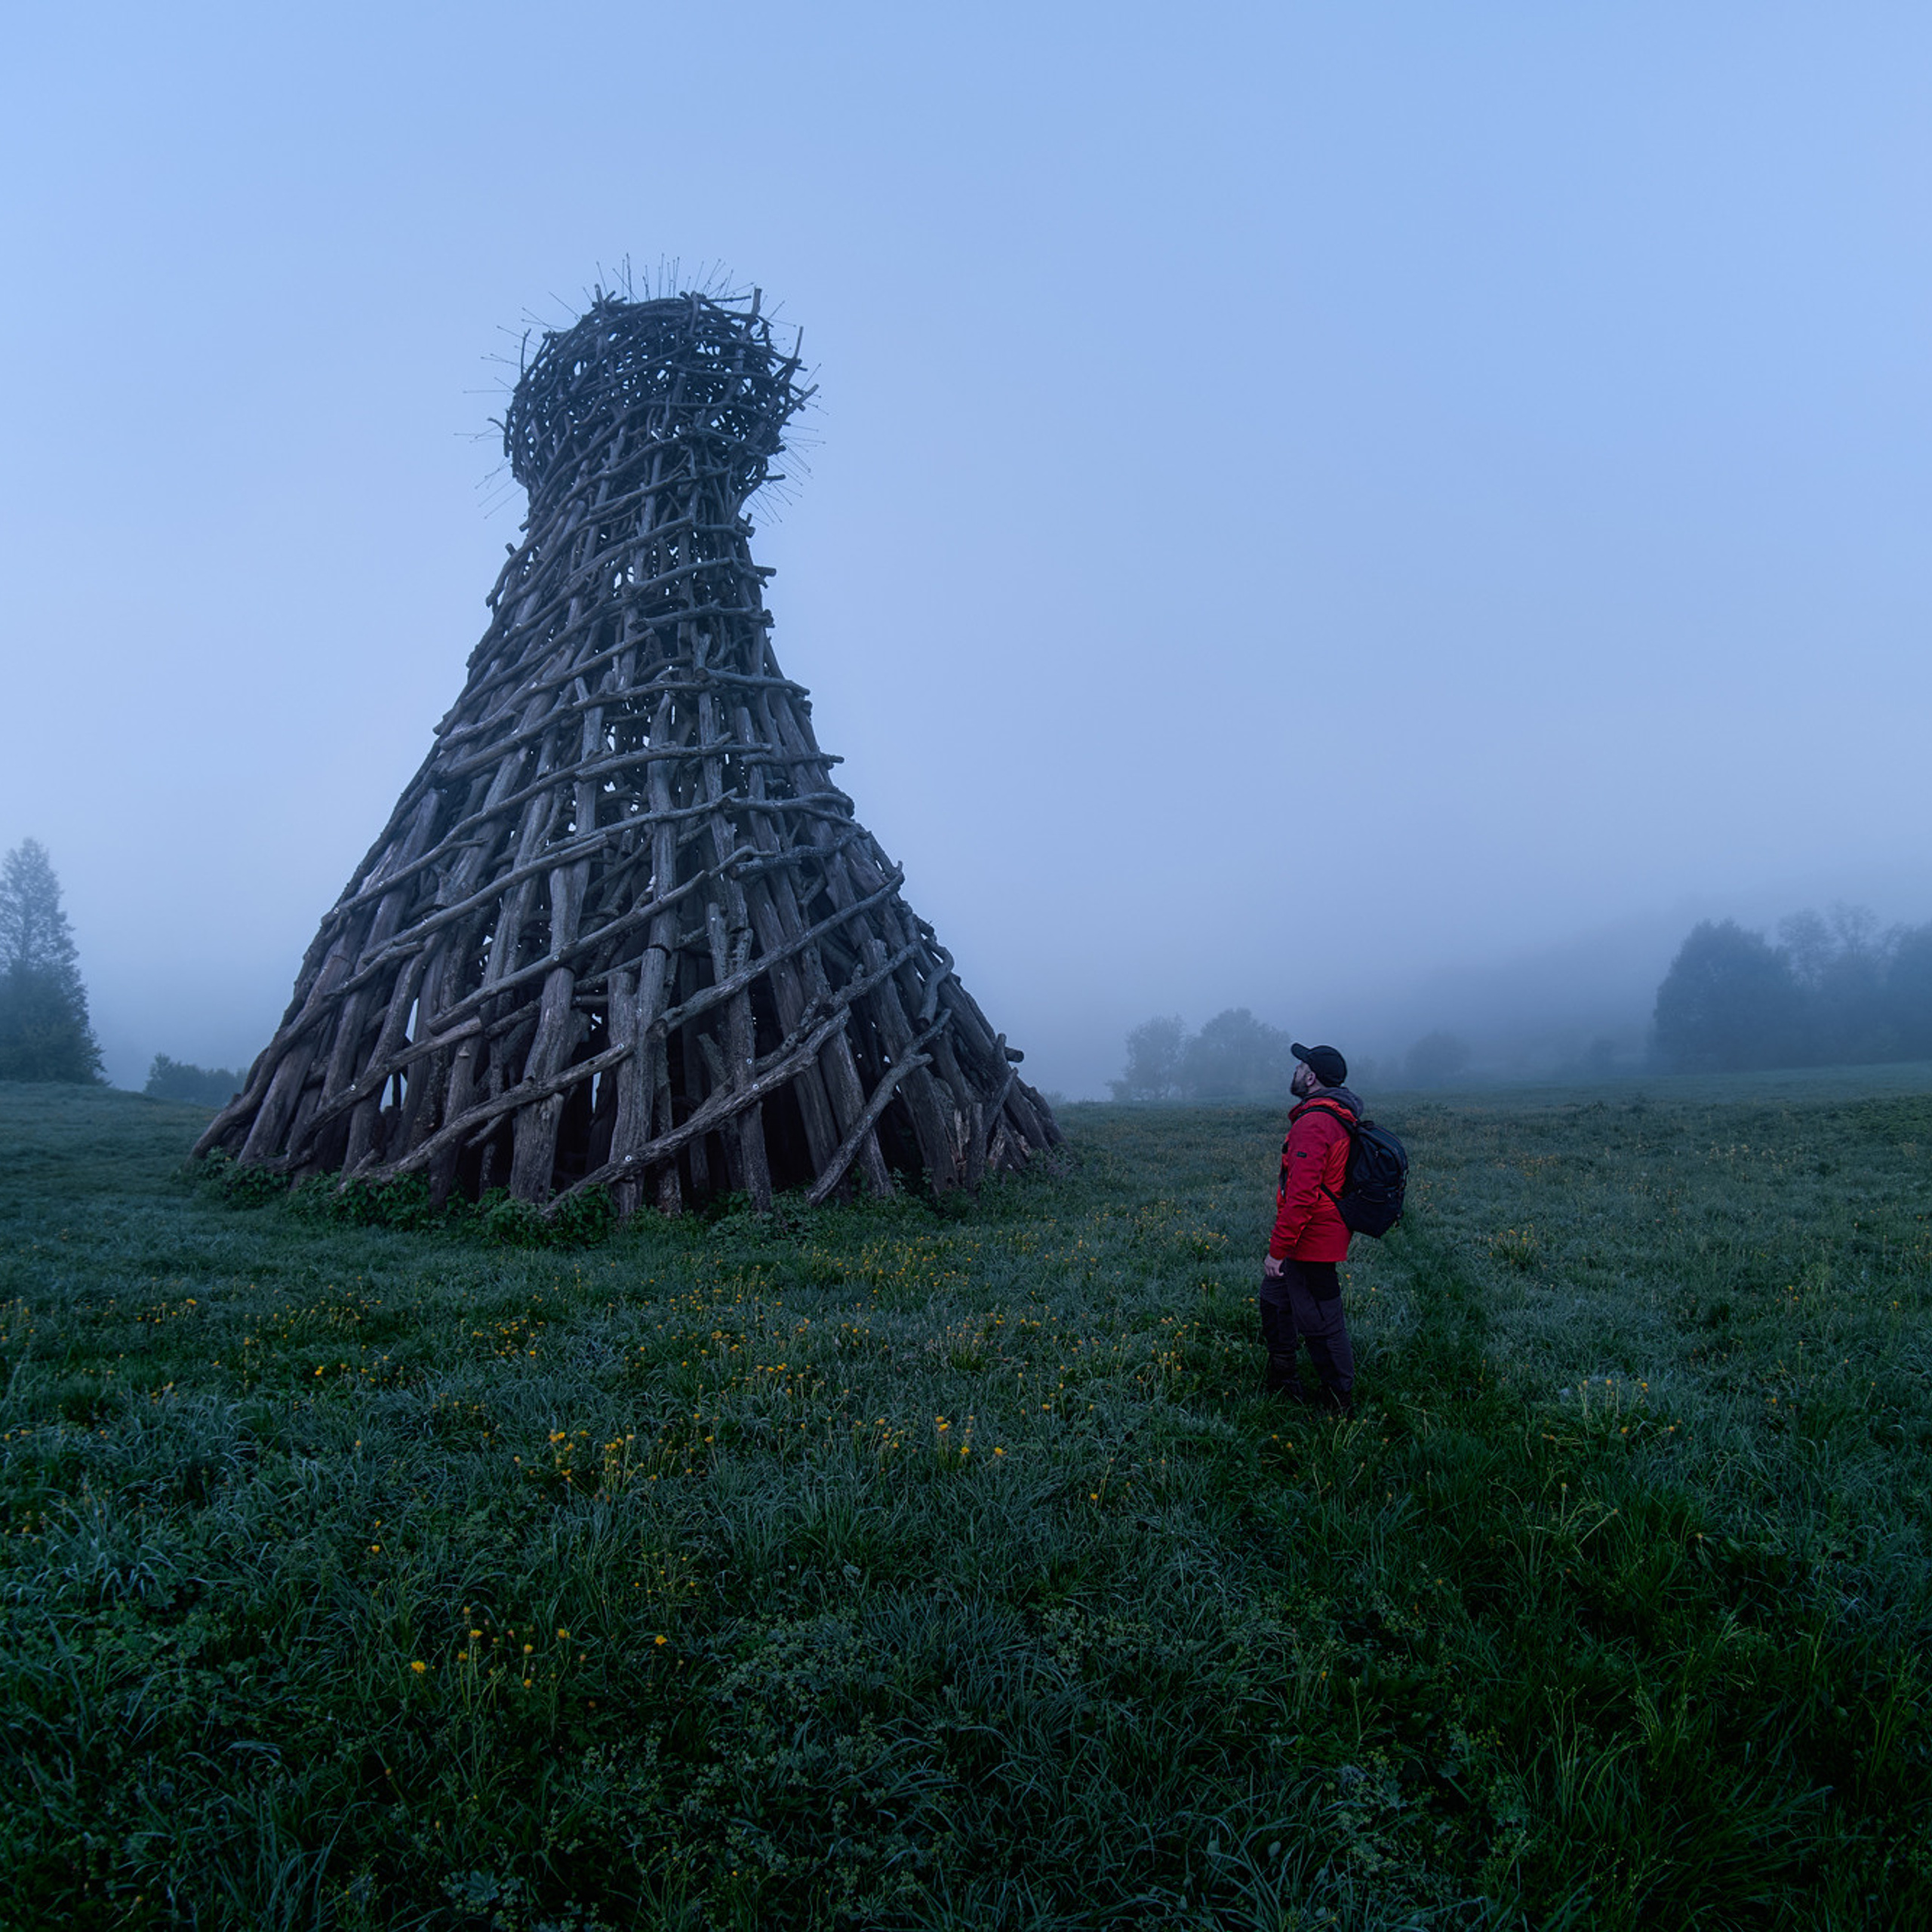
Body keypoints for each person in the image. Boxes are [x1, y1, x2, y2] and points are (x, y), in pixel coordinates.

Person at [1261, 1041, 1363, 1413]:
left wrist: (1278, 1250)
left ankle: (1339, 1401)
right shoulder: (1327, 1114)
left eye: (1300, 1066)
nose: (1295, 1071)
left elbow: (1301, 1195)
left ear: (1312, 1076)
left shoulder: (1316, 1122)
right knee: (1275, 1303)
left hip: (1312, 1237)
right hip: (1307, 1232)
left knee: (1322, 1320)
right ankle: (1282, 1379)